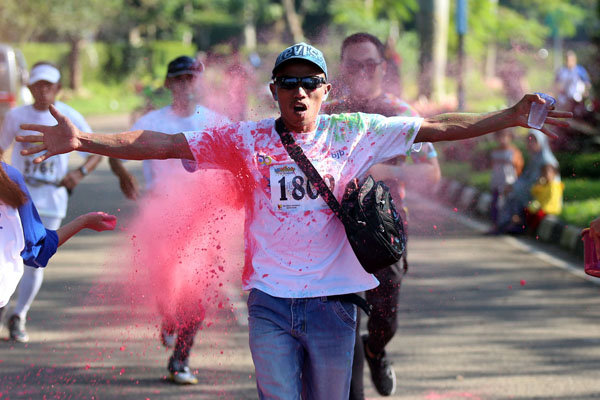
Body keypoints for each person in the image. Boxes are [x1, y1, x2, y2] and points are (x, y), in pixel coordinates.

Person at [16, 42, 571, 400]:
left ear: (326, 91)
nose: (299, 92)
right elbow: (162, 143)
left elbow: (437, 126)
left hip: (334, 303)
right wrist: (85, 140)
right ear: (275, 91)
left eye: (310, 83)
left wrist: (512, 116)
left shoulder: (351, 129)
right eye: (289, 83)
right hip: (271, 302)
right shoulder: (246, 138)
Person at [323, 32, 441, 398]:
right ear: (342, 68)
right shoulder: (327, 112)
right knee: (345, 319)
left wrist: (387, 173)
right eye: (353, 64)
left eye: (369, 64)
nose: (362, 71)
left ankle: (375, 349)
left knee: (384, 319)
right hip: (333, 233)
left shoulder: (400, 114)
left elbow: (432, 176)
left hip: (384, 232)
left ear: (382, 67)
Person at [108, 55, 231, 385]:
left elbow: (237, 165)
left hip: (203, 221)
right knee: (166, 292)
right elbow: (116, 149)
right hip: (161, 218)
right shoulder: (152, 121)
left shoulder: (217, 121)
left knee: (195, 292)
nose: (186, 85)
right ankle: (168, 318)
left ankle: (180, 359)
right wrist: (122, 174)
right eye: (179, 79)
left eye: (192, 78)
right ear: (167, 83)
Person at [0, 62, 104, 343]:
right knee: (11, 254)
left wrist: (78, 173)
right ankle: (6, 299)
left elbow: (96, 150)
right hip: (16, 196)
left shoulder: (70, 116)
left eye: (48, 85)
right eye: (37, 85)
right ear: (30, 87)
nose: (42, 90)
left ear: (58, 88)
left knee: (35, 260)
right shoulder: (16, 116)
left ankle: (18, 314)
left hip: (49, 197)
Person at [0, 161, 116, 315]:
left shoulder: (9, 176)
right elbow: (39, 248)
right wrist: (84, 222)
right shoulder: (8, 177)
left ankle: (19, 316)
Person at [494, 129, 561, 235]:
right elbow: (525, 178)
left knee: (513, 193)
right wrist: (513, 185)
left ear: (541, 142)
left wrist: (516, 187)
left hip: (542, 197)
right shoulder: (535, 158)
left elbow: (546, 182)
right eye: (529, 141)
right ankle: (506, 224)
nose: (530, 144)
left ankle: (510, 224)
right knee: (511, 191)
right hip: (532, 192)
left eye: (534, 141)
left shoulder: (547, 160)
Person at [489, 129, 524, 228]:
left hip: (509, 184)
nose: (502, 139)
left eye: (505, 137)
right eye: (500, 137)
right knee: (495, 205)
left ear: (510, 138)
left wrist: (514, 183)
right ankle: (495, 225)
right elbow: (493, 167)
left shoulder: (514, 152)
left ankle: (506, 226)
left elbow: (518, 168)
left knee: (508, 205)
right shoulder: (495, 152)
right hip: (496, 183)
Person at [525, 164, 564, 232]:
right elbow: (534, 192)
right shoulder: (544, 185)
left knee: (537, 216)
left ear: (554, 174)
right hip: (541, 207)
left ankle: (532, 230)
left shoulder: (554, 186)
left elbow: (552, 201)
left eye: (546, 173)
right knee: (527, 211)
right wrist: (539, 184)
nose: (545, 175)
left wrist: (542, 208)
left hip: (550, 209)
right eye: (543, 173)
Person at [554, 50, 591, 116]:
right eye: (567, 60)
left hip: (577, 97)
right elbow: (556, 83)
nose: (568, 62)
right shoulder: (562, 70)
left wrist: (586, 92)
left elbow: (587, 83)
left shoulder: (580, 70)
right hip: (564, 97)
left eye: (570, 60)